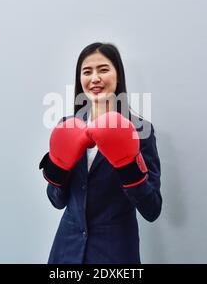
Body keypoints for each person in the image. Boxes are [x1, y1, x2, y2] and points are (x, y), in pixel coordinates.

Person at [39, 42, 162, 264]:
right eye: (87, 72)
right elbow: (56, 200)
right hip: (66, 251)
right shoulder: (67, 126)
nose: (95, 78)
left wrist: (128, 167)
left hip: (115, 254)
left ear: (118, 75)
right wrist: (58, 168)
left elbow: (152, 209)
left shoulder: (140, 131)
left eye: (103, 69)